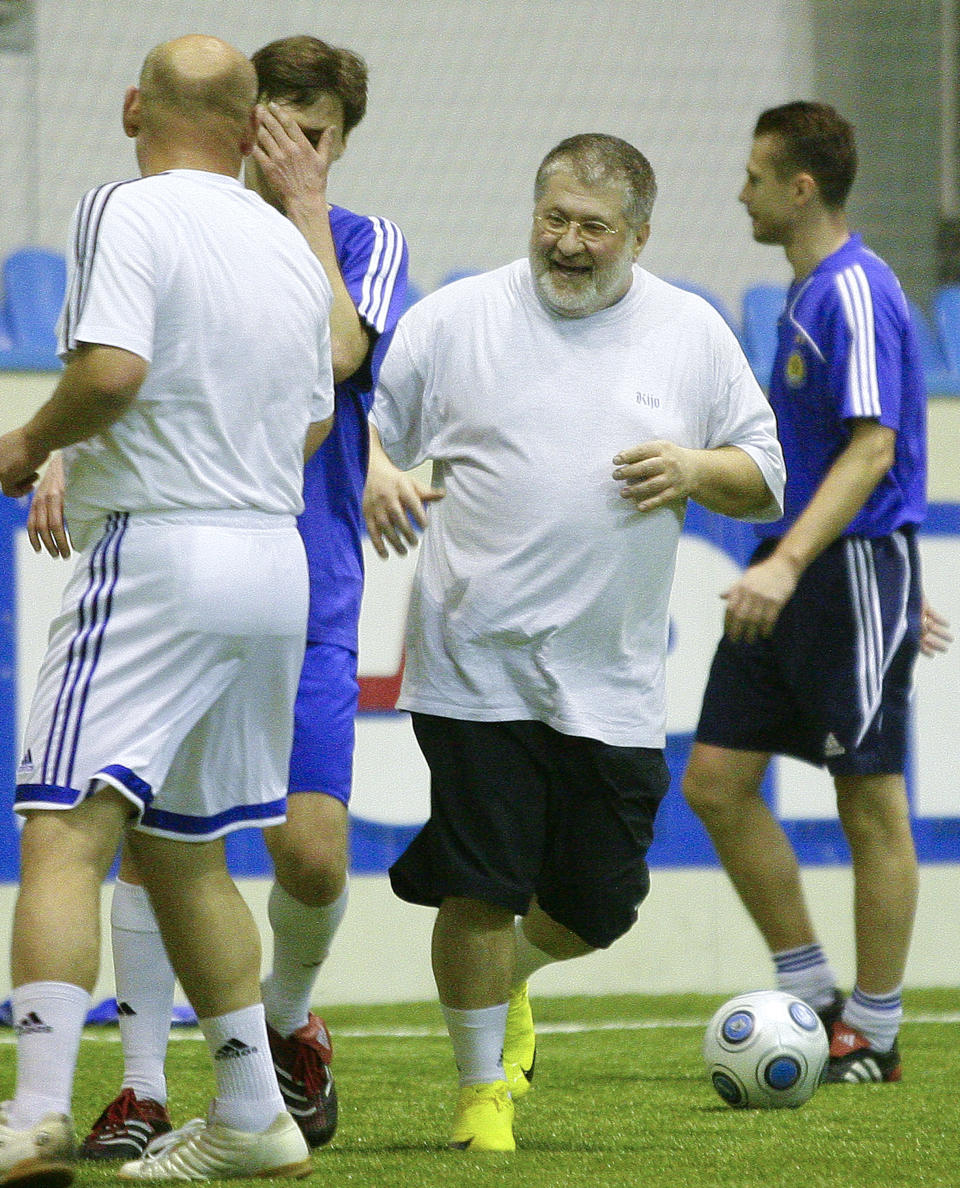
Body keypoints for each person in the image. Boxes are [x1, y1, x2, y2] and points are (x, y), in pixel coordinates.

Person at [25, 35, 411, 1160]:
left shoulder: (159, 213)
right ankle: (212, 1101)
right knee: (179, 841)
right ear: (248, 125)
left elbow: (122, 372)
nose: (291, 142)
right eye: (278, 119)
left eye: (316, 130)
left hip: (211, 562)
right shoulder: (253, 237)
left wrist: (37, 441)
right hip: (262, 559)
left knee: (85, 829)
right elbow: (284, 407)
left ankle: (51, 1103)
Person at [362, 132, 786, 1152]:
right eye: (554, 217)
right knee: (481, 881)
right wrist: (378, 469)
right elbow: (362, 424)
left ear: (639, 235)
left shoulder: (689, 331)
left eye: (595, 227)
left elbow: (763, 473)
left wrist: (693, 466)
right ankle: (479, 1099)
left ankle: (511, 979)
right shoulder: (453, 319)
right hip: (474, 660)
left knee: (598, 902)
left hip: (615, 677)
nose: (569, 242)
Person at [682, 101, 933, 1085]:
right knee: (714, 780)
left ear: (798, 187)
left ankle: (872, 1031)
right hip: (808, 567)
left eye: (752, 175)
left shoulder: (856, 292)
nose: (739, 191)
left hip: (834, 567)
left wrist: (821, 566)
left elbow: (876, 447)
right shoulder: (806, 295)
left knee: (869, 798)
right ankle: (815, 994)